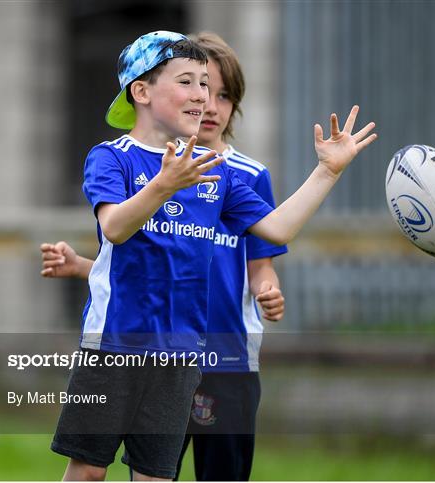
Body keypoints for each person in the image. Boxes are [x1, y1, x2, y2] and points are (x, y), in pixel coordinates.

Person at [47, 30, 376, 481]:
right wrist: (164, 184)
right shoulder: (111, 158)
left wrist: (326, 171)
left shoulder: (216, 175)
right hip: (114, 347)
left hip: (183, 356)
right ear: (140, 91)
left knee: (154, 477)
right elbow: (115, 228)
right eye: (187, 81)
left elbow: (278, 228)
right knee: (88, 471)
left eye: (206, 83)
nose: (202, 96)